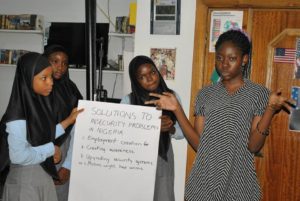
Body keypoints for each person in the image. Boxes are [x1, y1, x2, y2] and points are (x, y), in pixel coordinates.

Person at [145, 29, 295, 201]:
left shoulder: (259, 94)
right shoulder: (205, 94)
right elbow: (198, 144)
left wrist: (270, 109)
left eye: (232, 58)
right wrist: (177, 109)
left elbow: (254, 147)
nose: (224, 64)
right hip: (202, 186)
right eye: (219, 58)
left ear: (244, 59)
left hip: (240, 187)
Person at [0, 52, 82, 201]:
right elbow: (18, 156)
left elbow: (43, 134)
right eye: (44, 78)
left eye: (50, 77)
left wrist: (69, 120)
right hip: (25, 185)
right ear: (27, 79)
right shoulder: (17, 116)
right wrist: (51, 149)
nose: (50, 82)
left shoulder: (36, 106)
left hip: (41, 179)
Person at [121, 55, 184, 201]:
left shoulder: (171, 96)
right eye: (142, 76)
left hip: (163, 155)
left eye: (152, 72)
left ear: (158, 72)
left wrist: (171, 128)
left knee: (164, 195)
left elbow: (182, 133)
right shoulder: (128, 101)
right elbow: (123, 135)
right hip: (136, 158)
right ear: (135, 81)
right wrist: (149, 128)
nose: (149, 78)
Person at [43, 44, 83, 201]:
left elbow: (77, 129)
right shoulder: (34, 87)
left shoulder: (70, 89)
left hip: (62, 151)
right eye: (55, 61)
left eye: (65, 63)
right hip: (33, 155)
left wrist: (67, 165)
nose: (60, 67)